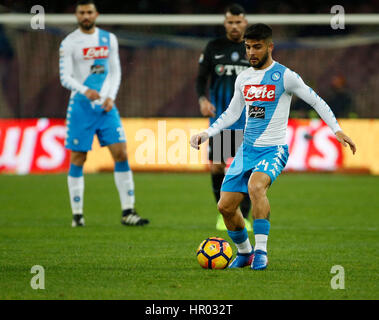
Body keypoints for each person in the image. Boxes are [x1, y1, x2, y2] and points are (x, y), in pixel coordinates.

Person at [190, 23, 356, 270]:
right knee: (225, 207)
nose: (251, 53)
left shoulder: (285, 76)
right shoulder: (244, 78)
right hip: (246, 151)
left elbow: (317, 101)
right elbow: (232, 113)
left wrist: (337, 129)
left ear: (270, 47)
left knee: (256, 186)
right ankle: (245, 253)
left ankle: (261, 252)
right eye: (248, 47)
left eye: (257, 47)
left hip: (273, 149)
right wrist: (207, 132)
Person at [59, 0, 149, 227]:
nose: (86, 16)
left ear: (96, 14)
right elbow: (65, 77)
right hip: (80, 107)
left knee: (121, 153)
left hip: (106, 107)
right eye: (82, 12)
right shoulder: (69, 42)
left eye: (89, 12)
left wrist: (111, 97)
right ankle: (77, 215)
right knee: (79, 157)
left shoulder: (109, 39)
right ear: (76, 15)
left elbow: (115, 72)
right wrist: (84, 89)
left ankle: (128, 212)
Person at [196, 3, 252, 231]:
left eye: (238, 22)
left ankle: (244, 217)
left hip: (249, 121)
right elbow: (200, 78)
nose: (235, 26)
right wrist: (202, 100)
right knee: (218, 166)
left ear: (245, 23)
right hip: (222, 120)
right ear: (225, 23)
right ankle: (224, 213)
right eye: (230, 22)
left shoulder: (253, 48)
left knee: (247, 169)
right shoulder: (214, 47)